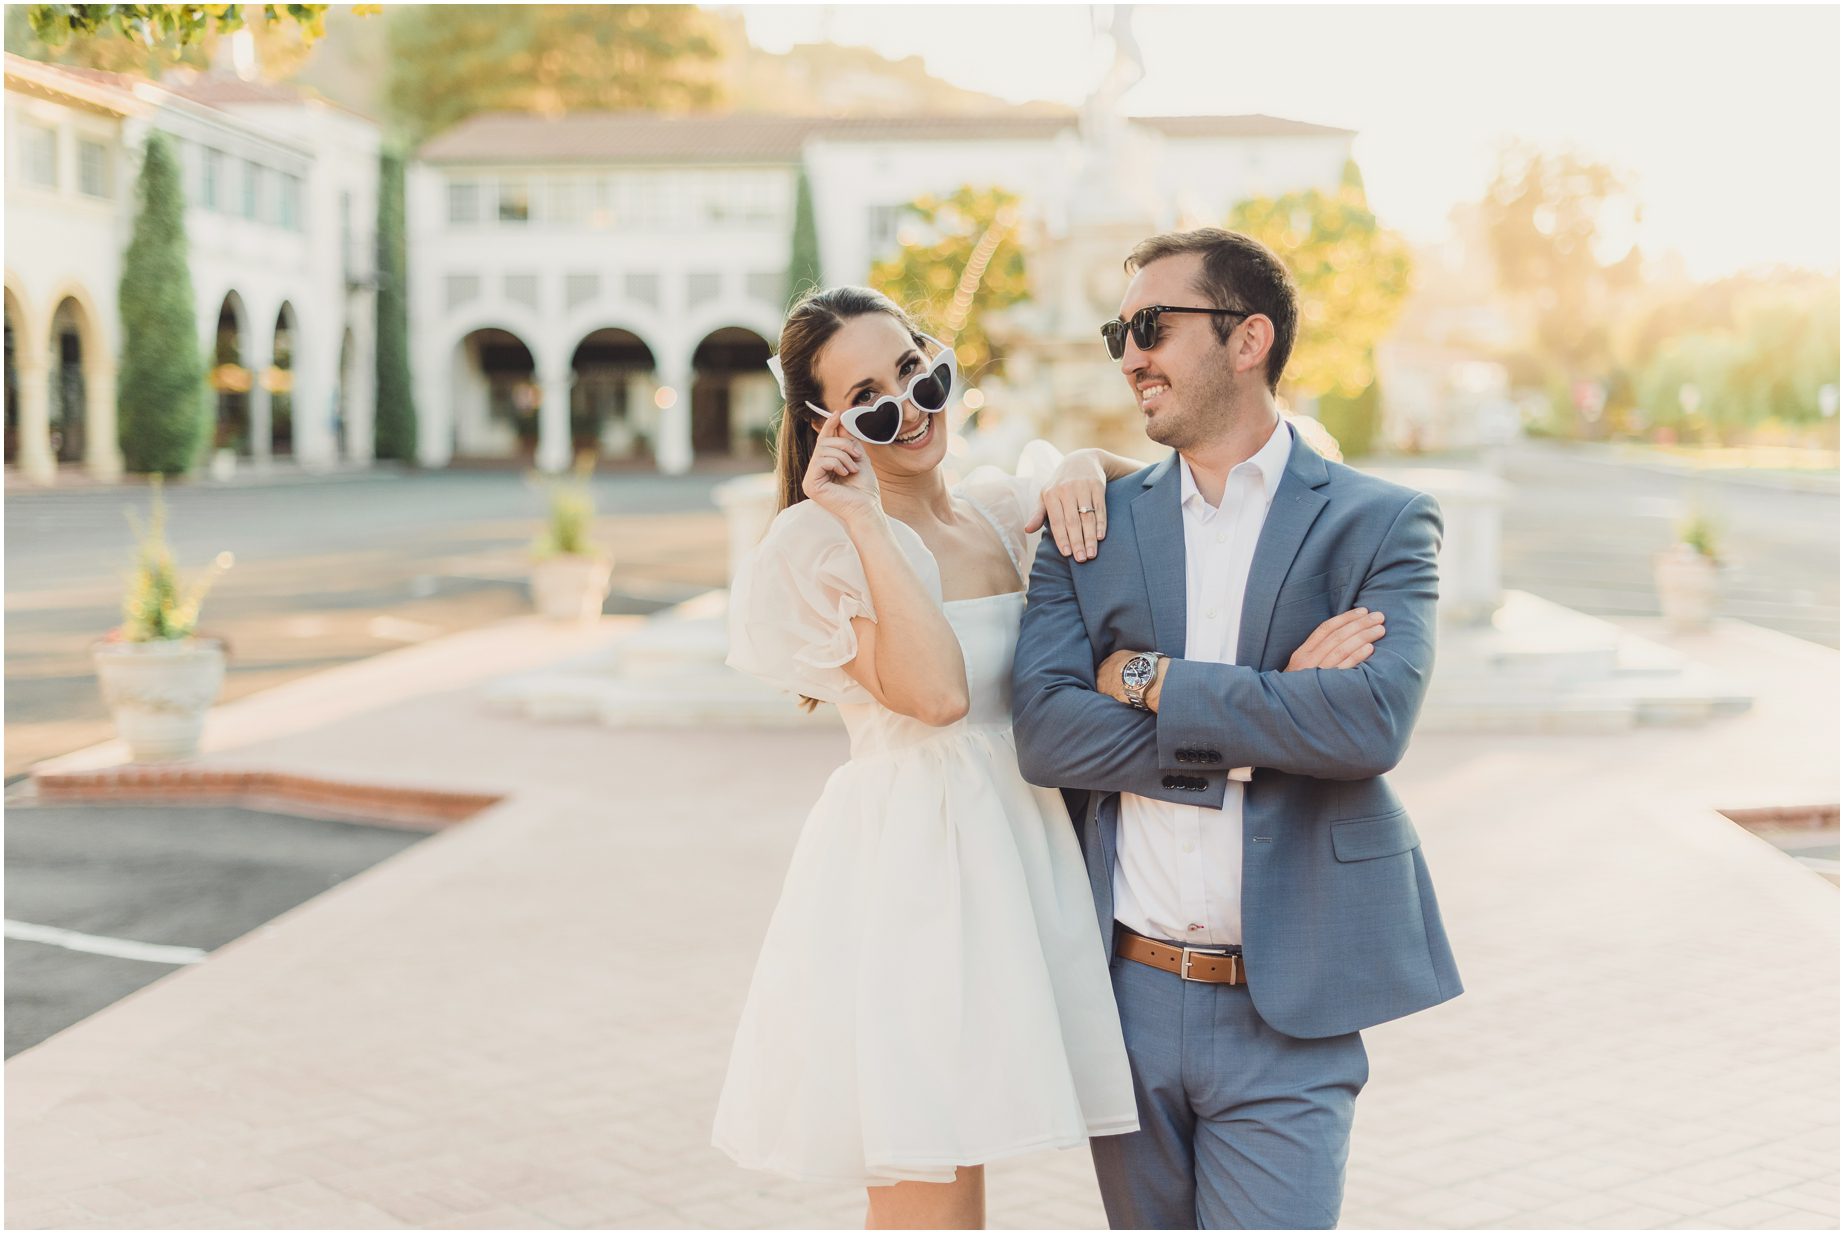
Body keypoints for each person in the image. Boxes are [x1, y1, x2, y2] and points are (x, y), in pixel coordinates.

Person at [1011, 228, 1464, 1230]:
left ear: (1247, 337)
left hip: (1287, 1009)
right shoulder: (1087, 527)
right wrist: (1269, 709)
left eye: (1150, 326)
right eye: (1115, 331)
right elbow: (1045, 732)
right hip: (1123, 1001)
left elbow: (1368, 725)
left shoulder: (1379, 523)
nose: (1127, 354)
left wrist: (1147, 680)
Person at [713, 286, 1148, 1230]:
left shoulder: (997, 513)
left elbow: (1158, 497)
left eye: (917, 371)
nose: (909, 409)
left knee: (966, 1189)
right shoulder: (823, 547)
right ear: (825, 425)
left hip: (1020, 858)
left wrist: (1082, 461)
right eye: (869, 398)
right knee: (932, 1202)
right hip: (917, 878)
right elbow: (940, 696)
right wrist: (867, 520)